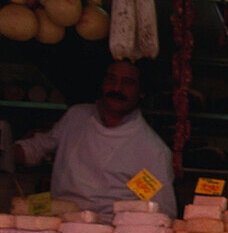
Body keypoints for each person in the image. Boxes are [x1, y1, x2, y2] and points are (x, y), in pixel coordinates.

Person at [14, 60, 176, 222]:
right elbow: (37, 147)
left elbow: (161, 211)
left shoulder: (152, 151)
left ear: (141, 91)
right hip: (56, 223)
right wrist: (9, 152)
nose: (116, 88)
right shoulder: (76, 117)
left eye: (127, 83)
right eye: (111, 79)